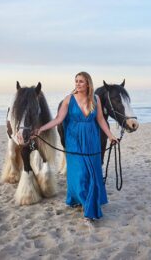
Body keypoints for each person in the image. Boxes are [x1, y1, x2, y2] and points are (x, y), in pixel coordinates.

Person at [34, 72, 118, 221]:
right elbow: (58, 119)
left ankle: (86, 201)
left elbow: (100, 120)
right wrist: (41, 129)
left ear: (88, 84)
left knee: (92, 172)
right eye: (76, 81)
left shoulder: (96, 99)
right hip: (74, 140)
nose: (78, 84)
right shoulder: (69, 99)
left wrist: (111, 136)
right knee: (80, 173)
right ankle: (88, 206)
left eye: (81, 82)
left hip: (92, 139)